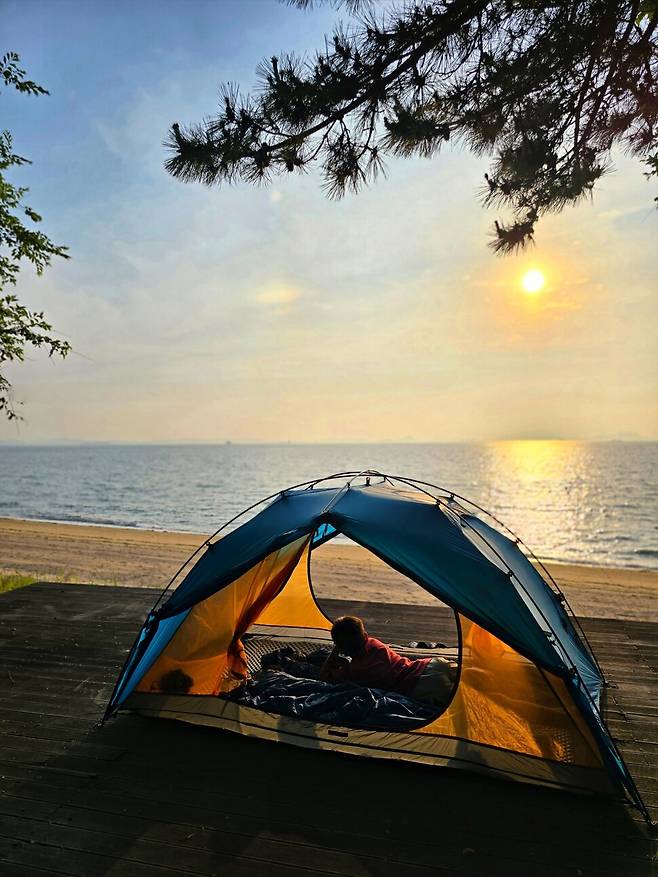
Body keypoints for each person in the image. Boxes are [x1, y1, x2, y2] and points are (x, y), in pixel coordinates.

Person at [320, 615, 456, 707]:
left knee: (461, 701)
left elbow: (324, 677)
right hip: (432, 664)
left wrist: (335, 652)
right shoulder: (375, 644)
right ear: (365, 635)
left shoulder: (355, 670)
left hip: (422, 685)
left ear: (342, 648)